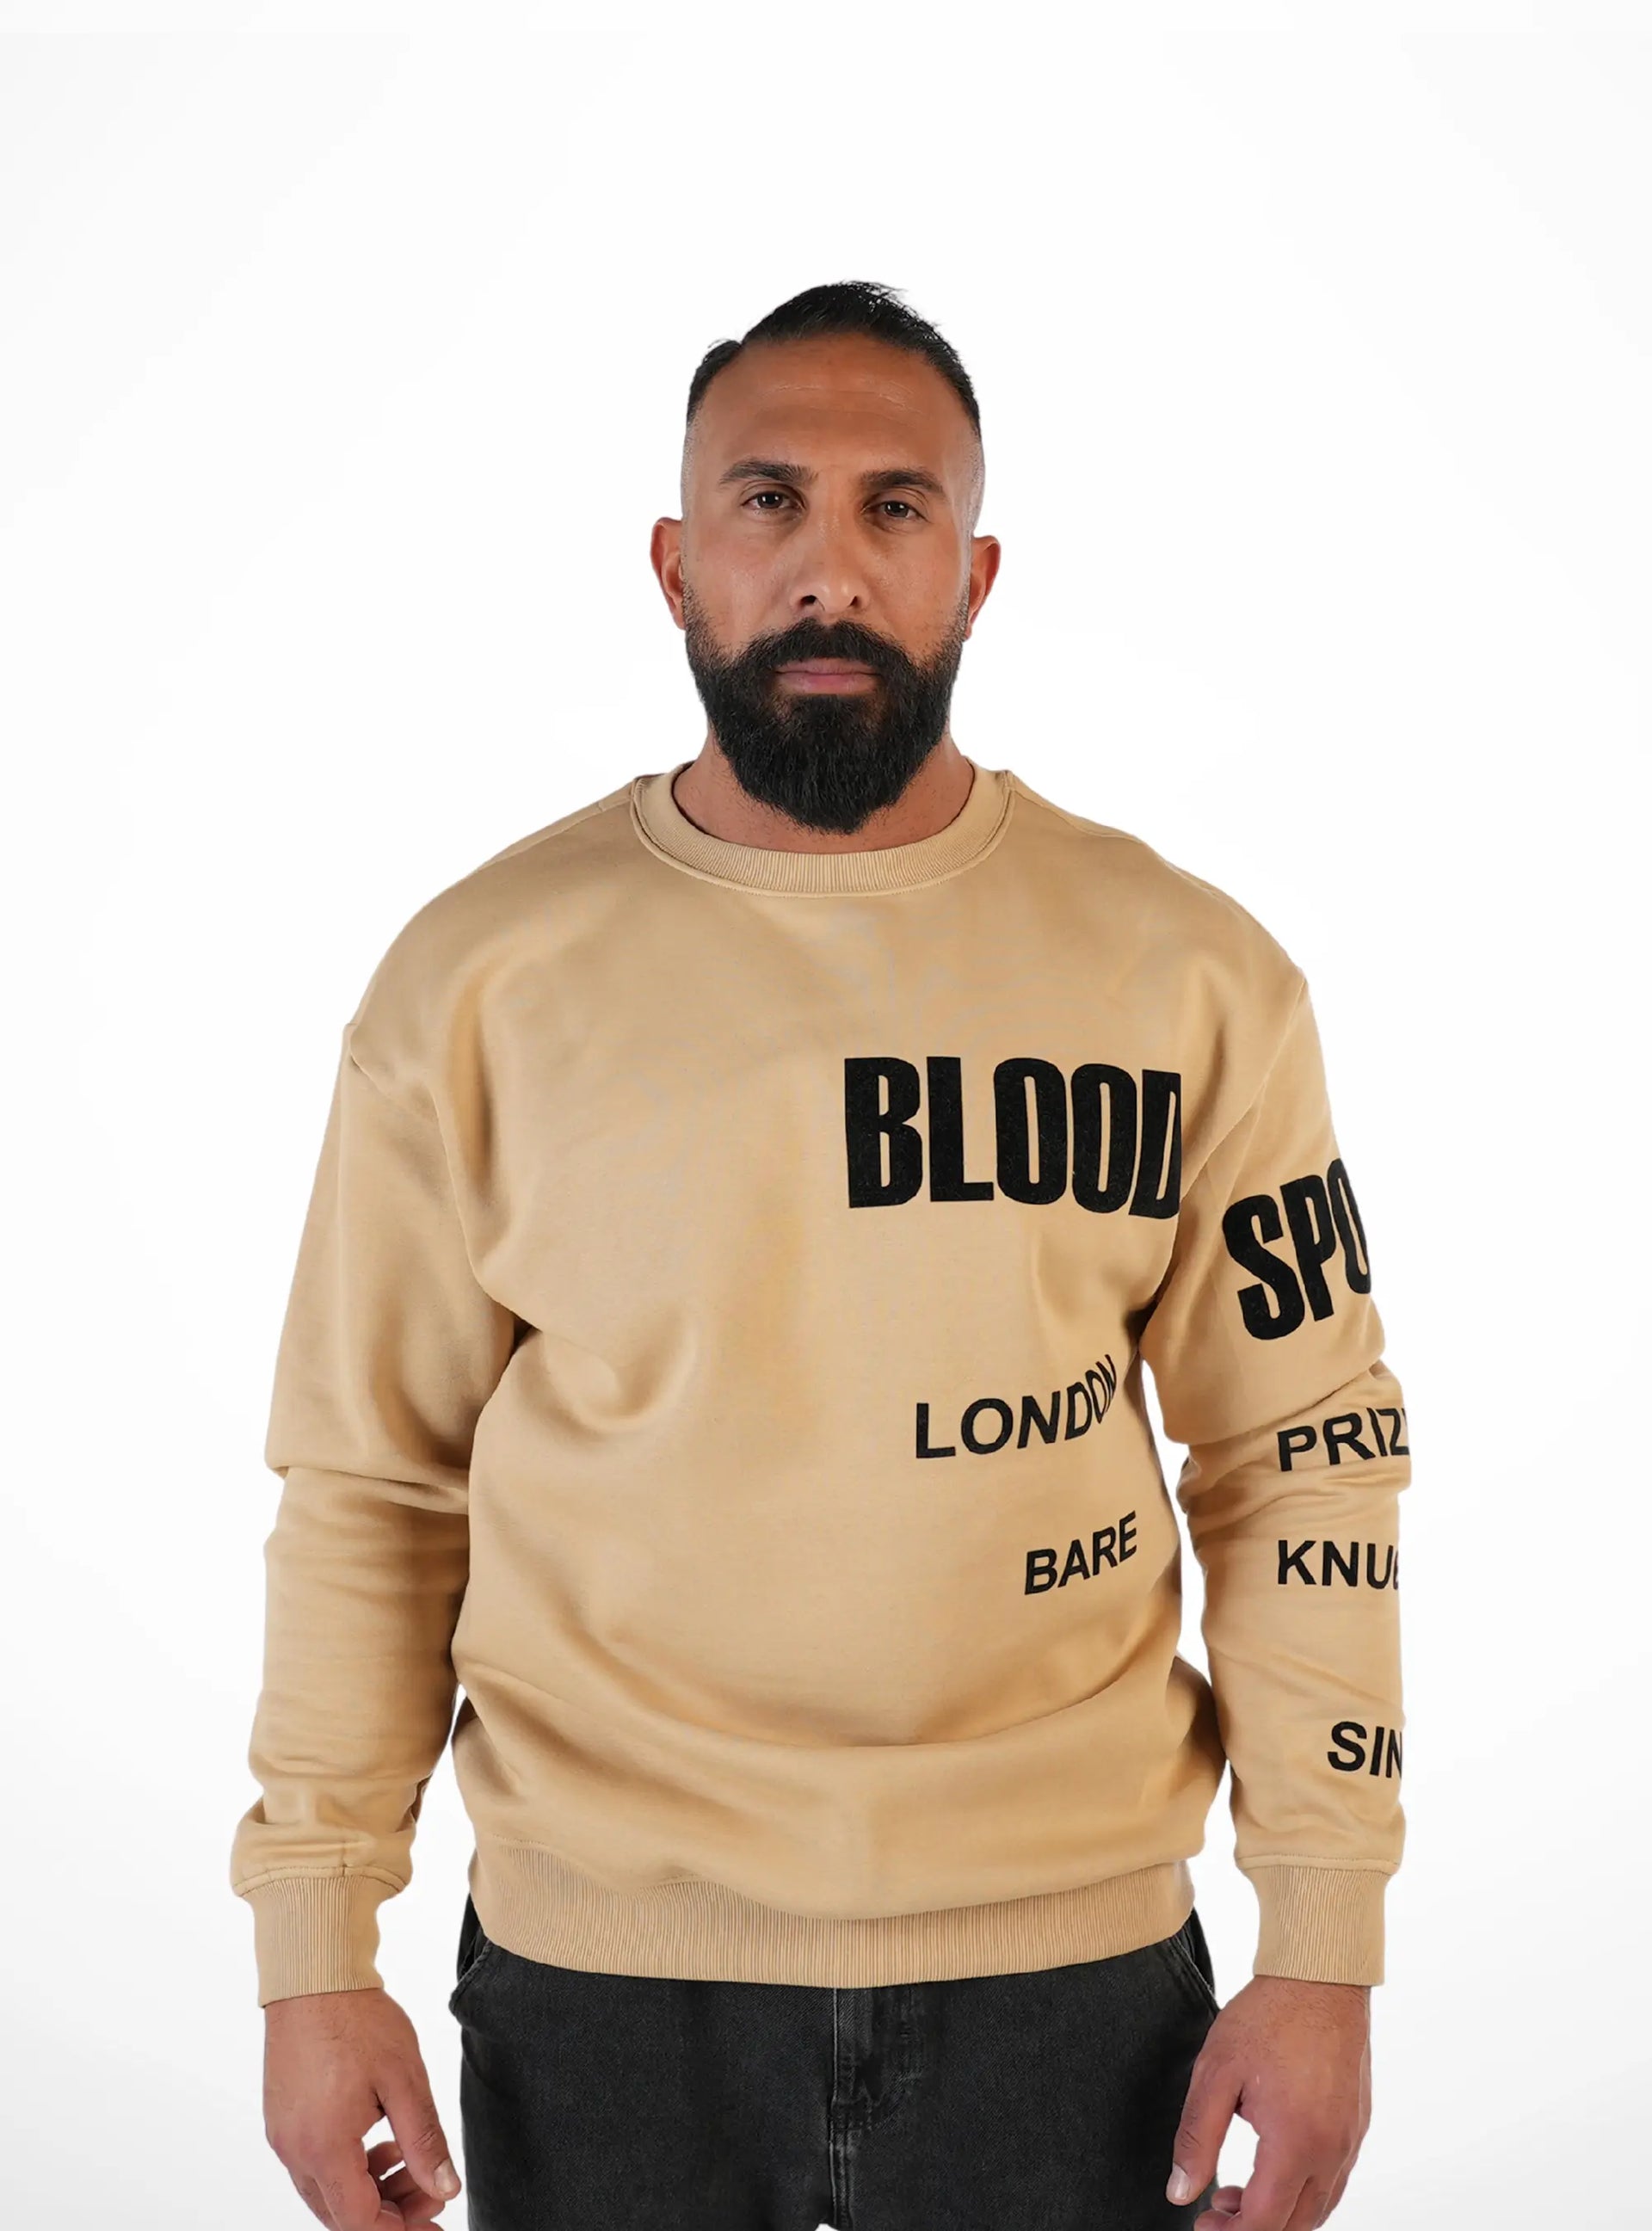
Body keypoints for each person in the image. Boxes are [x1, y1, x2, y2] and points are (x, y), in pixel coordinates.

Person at [231, 280, 1409, 2231]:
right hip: (605, 1985)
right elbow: (371, 1484)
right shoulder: (480, 981)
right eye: (769, 501)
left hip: (1075, 1974)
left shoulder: (1191, 975)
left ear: (977, 574)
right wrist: (313, 1939)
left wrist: (1326, 1939)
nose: (830, 568)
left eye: (896, 507)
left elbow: (1302, 1454)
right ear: (677, 562)